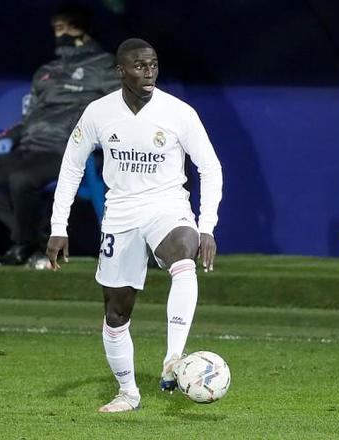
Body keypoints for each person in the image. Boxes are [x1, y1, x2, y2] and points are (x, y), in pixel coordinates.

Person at [46, 38, 223, 412]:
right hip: (121, 213)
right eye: (140, 66)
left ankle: (173, 359)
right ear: (120, 71)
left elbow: (210, 167)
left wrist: (206, 226)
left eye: (154, 65)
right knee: (116, 314)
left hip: (167, 206)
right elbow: (71, 165)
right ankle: (128, 392)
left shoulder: (179, 113)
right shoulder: (98, 112)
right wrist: (58, 225)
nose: (149, 72)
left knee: (184, 253)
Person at [0, 4, 119, 266]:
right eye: (58, 28)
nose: (64, 34)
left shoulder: (105, 66)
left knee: (21, 179)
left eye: (71, 27)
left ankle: (23, 244)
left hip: (67, 149)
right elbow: (30, 116)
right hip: (31, 147)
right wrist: (13, 135)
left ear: (87, 30)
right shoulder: (47, 71)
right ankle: (32, 239)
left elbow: (118, 110)